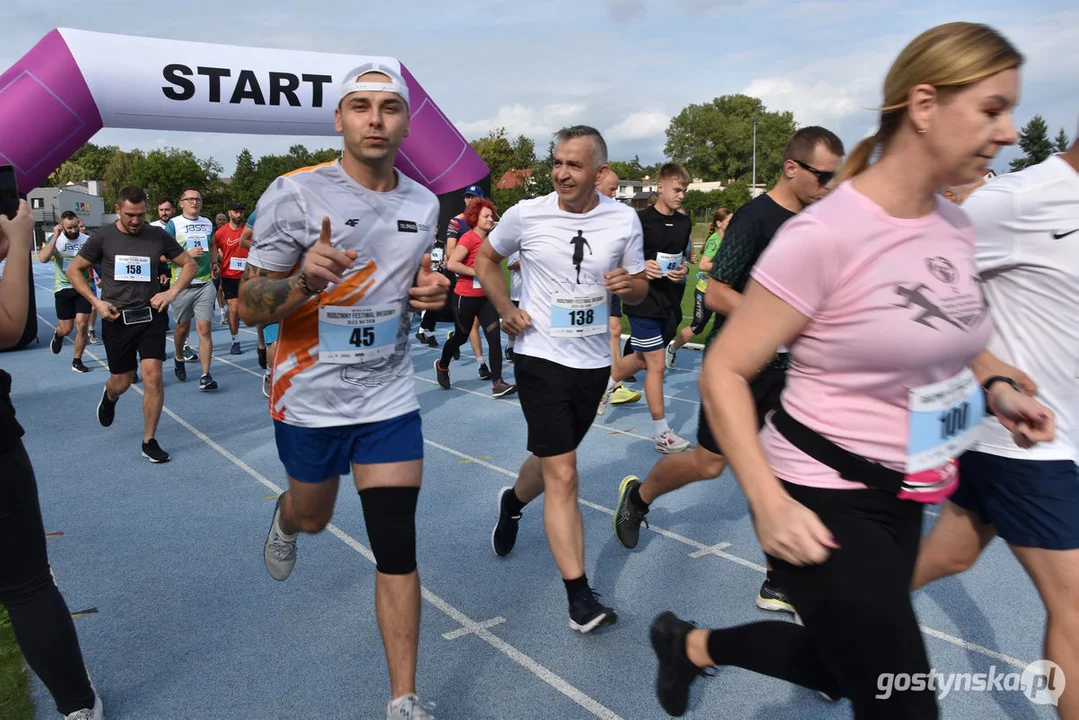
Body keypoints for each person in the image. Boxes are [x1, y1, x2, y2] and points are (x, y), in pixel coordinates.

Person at [648, 22, 1055, 719]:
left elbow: (945, 331)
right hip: (817, 493)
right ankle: (690, 645)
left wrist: (994, 386)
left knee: (845, 669)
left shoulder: (953, 227)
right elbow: (724, 370)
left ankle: (690, 646)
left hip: (904, 493)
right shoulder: (826, 234)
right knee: (903, 699)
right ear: (923, 105)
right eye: (992, 109)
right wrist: (768, 501)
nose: (1011, 132)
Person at [238, 62, 449, 720]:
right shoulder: (293, 195)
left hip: (388, 401)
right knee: (317, 516)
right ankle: (287, 516)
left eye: (388, 107)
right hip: (309, 400)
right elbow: (248, 307)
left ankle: (403, 698)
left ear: (406, 122)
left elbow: (416, 290)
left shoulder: (422, 202)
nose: (375, 119)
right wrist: (303, 280)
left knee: (396, 544)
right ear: (339, 121)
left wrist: (433, 295)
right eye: (360, 106)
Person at [613, 127, 845, 620]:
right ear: (791, 168)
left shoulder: (820, 221)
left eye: (834, 176)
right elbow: (716, 292)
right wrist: (778, 323)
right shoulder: (756, 219)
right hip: (739, 367)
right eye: (822, 175)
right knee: (708, 463)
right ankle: (640, 495)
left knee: (799, 466)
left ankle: (779, 579)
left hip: (793, 371)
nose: (828, 184)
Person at [912, 139, 1079, 718]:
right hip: (1025, 442)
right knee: (1075, 611)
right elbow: (918, 291)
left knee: (949, 557)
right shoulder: (1014, 200)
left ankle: (840, 618)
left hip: (1046, 439)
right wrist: (992, 378)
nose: (1005, 130)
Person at [475, 125, 648, 633]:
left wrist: (629, 286)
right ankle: (579, 597)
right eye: (557, 162)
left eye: (574, 164)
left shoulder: (623, 219)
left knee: (552, 463)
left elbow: (637, 287)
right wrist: (505, 306)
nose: (562, 172)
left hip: (593, 362)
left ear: (599, 171)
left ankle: (512, 502)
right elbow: (487, 258)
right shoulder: (526, 213)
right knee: (565, 473)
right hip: (538, 355)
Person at [0, 200, 103, 720]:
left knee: (80, 327)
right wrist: (20, 241)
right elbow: (12, 325)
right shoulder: (55, 238)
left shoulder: (83, 233)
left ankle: (80, 353)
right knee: (26, 584)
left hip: (83, 297)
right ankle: (78, 705)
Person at [68, 187, 196, 462]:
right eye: (129, 215)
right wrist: (96, 302)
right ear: (117, 209)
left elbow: (189, 265)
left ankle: (149, 440)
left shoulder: (157, 235)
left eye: (140, 215)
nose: (136, 220)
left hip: (151, 316)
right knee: (122, 380)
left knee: (153, 376)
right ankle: (111, 395)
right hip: (116, 318)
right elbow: (73, 269)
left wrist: (170, 293)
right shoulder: (102, 236)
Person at [597, 163, 693, 453]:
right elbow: (614, 258)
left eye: (684, 191)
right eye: (677, 190)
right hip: (641, 302)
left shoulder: (684, 222)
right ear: (660, 187)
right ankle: (662, 433)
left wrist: (683, 270)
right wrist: (639, 267)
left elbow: (683, 260)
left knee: (640, 359)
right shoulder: (638, 220)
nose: (681, 196)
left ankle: (606, 384)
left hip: (669, 301)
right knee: (657, 364)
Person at [433, 197, 516, 397]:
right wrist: (477, 272)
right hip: (465, 297)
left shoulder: (491, 241)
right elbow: (452, 264)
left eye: (491, 215)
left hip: (486, 298)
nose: (490, 219)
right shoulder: (468, 238)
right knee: (461, 336)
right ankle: (443, 365)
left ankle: (498, 383)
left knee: (494, 339)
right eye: (486, 216)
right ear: (474, 217)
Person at [664, 207, 731, 367]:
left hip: (722, 291)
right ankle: (672, 349)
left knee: (730, 325)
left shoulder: (730, 238)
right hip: (705, 291)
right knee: (697, 326)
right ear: (719, 223)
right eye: (730, 221)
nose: (733, 223)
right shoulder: (714, 241)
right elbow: (703, 265)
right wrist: (727, 265)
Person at [166, 187, 219, 389]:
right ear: (181, 203)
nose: (194, 202)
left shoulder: (206, 223)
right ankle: (179, 356)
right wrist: (185, 254)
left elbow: (212, 245)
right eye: (190, 199)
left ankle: (205, 375)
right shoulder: (174, 225)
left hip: (205, 283)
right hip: (182, 285)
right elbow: (162, 254)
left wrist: (215, 263)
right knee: (182, 327)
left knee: (205, 329)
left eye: (197, 199)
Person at [38, 211, 93, 372]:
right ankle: (59, 334)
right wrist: (55, 237)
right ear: (62, 227)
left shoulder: (87, 241)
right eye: (70, 228)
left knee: (82, 325)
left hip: (82, 288)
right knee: (67, 328)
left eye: (76, 226)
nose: (74, 230)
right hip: (63, 288)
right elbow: (43, 258)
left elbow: (97, 260)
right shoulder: (57, 241)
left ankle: (77, 360)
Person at [213, 201, 249, 354]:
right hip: (229, 275)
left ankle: (263, 342)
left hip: (248, 275)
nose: (239, 215)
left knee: (247, 309)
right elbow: (212, 246)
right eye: (236, 212)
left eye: (241, 212)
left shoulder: (248, 230)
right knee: (233, 309)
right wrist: (214, 263)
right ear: (229, 213)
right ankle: (236, 341)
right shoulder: (221, 232)